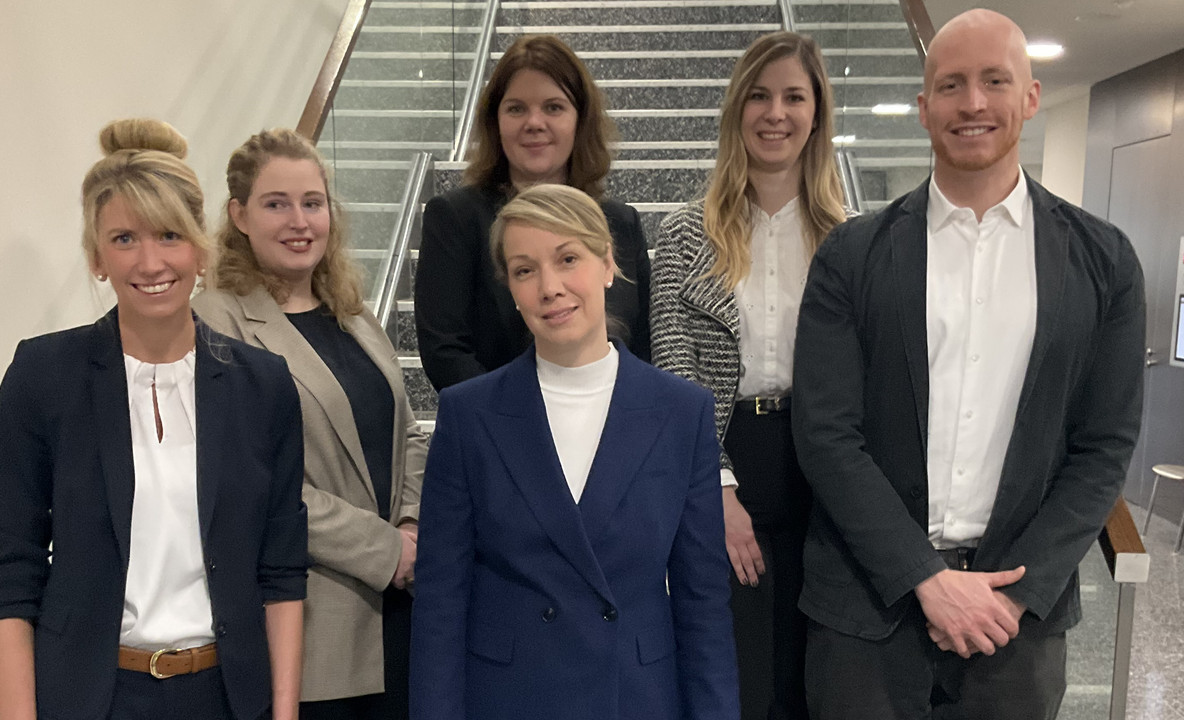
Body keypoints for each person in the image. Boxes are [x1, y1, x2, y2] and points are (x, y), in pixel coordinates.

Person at [791, 9, 1146, 719]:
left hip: (1019, 619)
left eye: (994, 81)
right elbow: (827, 433)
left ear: (1031, 97)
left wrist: (1015, 593)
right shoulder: (852, 257)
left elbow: (1103, 445)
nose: (974, 103)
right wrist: (924, 577)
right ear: (925, 108)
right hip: (867, 610)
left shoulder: (1103, 261)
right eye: (952, 85)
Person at [0, 118, 308, 720]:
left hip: (227, 698)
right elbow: (10, 573)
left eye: (169, 235)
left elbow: (281, 573)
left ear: (200, 249)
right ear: (97, 256)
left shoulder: (264, 387)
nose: (150, 261)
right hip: (91, 700)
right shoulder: (43, 375)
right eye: (124, 238)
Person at [410, 184, 740, 720]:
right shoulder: (469, 414)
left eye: (568, 259)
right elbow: (441, 603)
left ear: (609, 264)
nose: (549, 287)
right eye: (524, 270)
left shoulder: (682, 412)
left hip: (635, 700)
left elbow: (702, 604)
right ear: (509, 289)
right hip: (508, 700)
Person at [193, 128, 428, 720]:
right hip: (314, 619)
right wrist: (386, 551)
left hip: (401, 611)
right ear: (239, 215)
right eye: (277, 204)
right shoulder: (216, 321)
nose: (300, 221)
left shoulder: (351, 311)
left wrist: (411, 524)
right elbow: (256, 482)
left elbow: (408, 433)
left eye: (312, 202)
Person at [650, 32, 845, 720]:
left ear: (817, 113)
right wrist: (715, 486)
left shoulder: (849, 239)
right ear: (737, 111)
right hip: (728, 459)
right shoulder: (682, 233)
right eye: (759, 96)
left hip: (823, 466)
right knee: (732, 672)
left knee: (810, 673)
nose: (776, 113)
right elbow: (674, 368)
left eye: (794, 96)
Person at [414, 34, 651, 392]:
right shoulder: (455, 218)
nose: (534, 122)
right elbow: (446, 352)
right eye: (516, 108)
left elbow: (643, 346)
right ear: (495, 121)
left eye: (553, 107)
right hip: (497, 431)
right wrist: (522, 423)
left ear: (579, 120)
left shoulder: (621, 222)